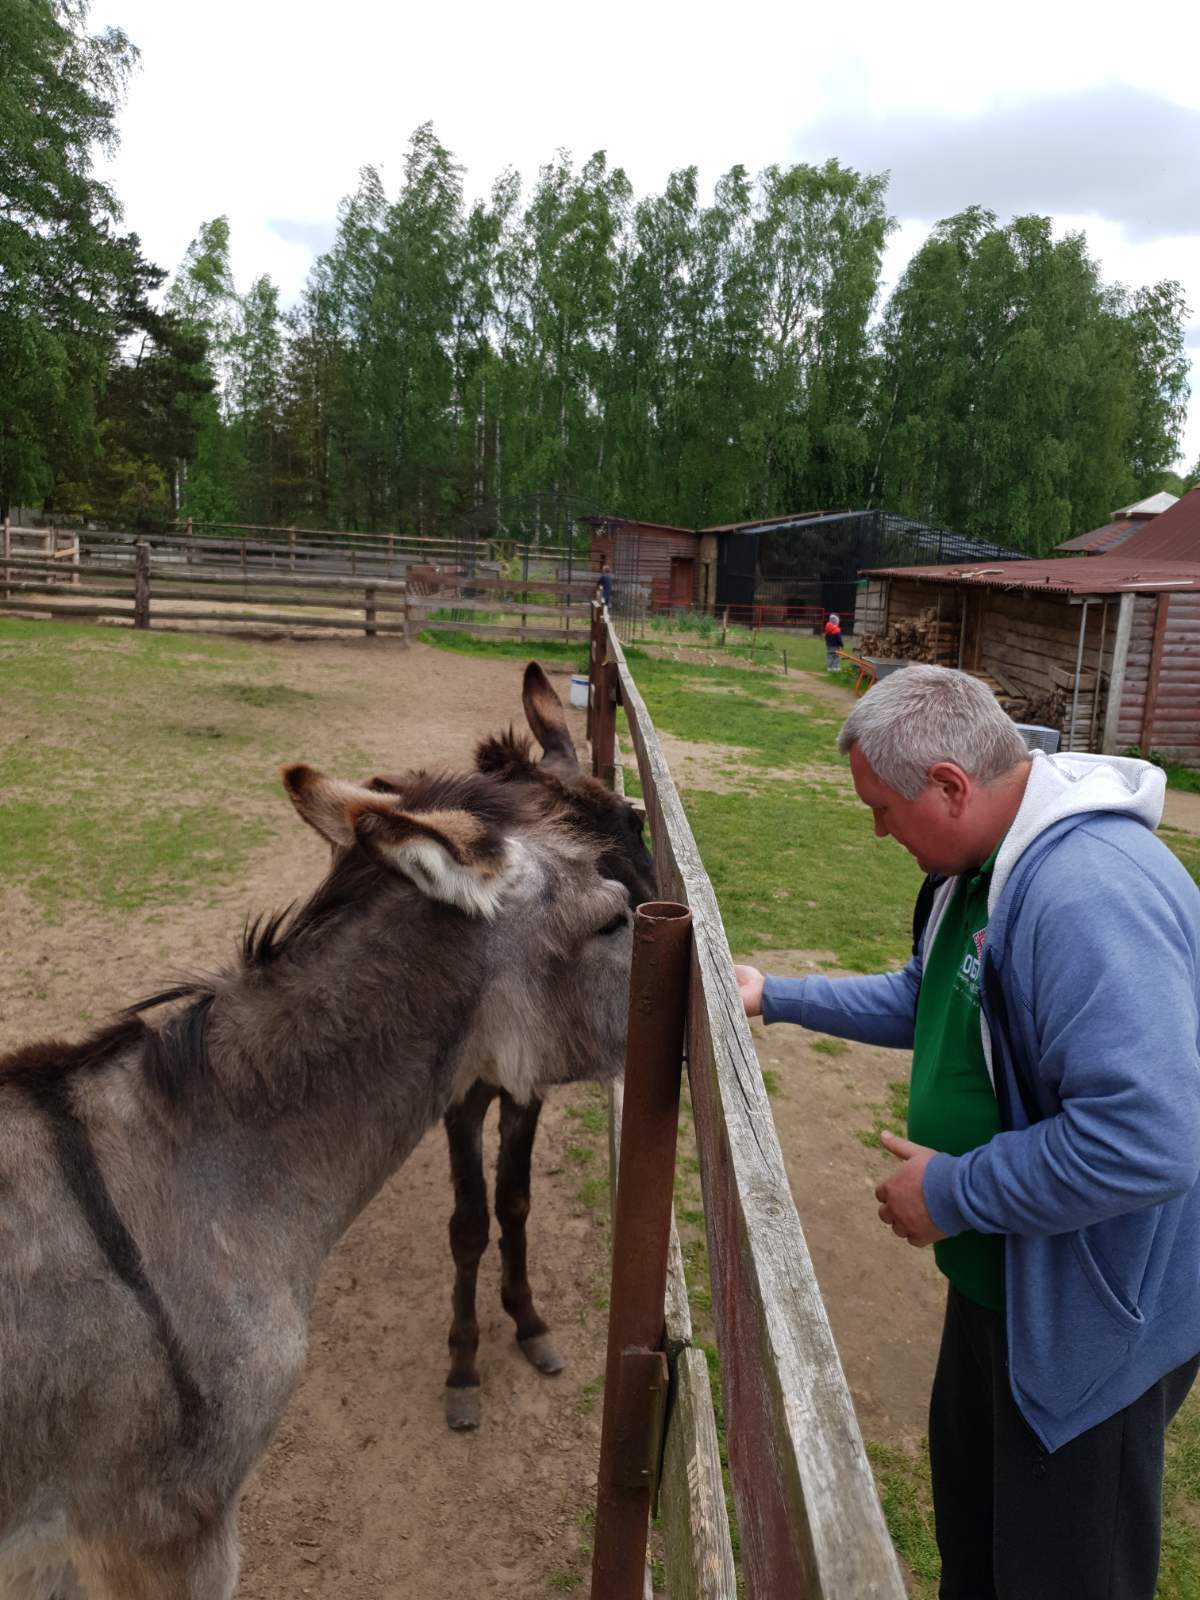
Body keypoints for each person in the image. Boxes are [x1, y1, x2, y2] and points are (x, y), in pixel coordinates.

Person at [734, 665, 1200, 1600]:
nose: (875, 829)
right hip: (1007, 1279)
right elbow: (926, 994)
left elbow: (1148, 1136)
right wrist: (775, 995)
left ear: (949, 785)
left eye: (883, 806)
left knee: (1065, 1573)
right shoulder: (980, 868)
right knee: (979, 1550)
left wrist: (952, 1192)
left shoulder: (1084, 895)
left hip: (1092, 1316)